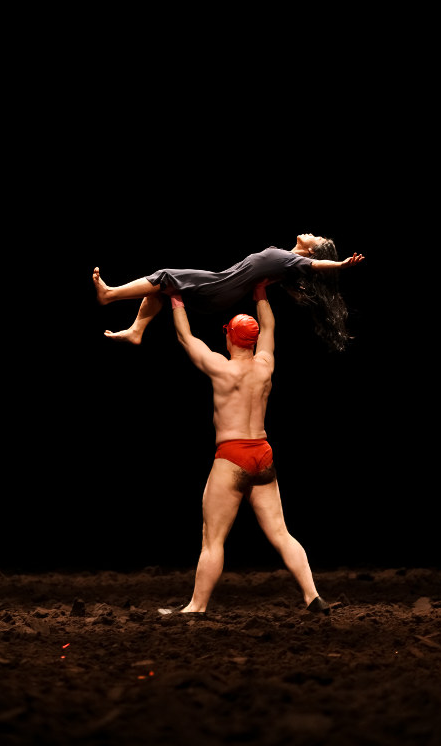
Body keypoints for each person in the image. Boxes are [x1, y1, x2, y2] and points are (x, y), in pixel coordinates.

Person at [157, 281, 330, 616]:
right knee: (281, 532)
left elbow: (186, 339)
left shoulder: (221, 368)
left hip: (232, 456)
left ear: (229, 337)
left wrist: (176, 299)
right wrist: (261, 292)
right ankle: (313, 596)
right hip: (263, 454)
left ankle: (197, 606)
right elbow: (270, 327)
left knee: (213, 539)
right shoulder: (265, 365)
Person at [93, 233, 364, 351]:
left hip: (222, 286)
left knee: (165, 276)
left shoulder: (295, 261)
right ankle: (136, 330)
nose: (310, 232)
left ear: (313, 250)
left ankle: (110, 295)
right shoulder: (287, 262)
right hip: (223, 285)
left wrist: (340, 264)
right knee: (163, 286)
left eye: (315, 237)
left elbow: (317, 265)